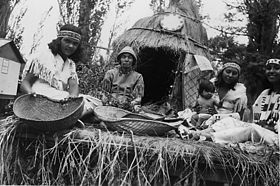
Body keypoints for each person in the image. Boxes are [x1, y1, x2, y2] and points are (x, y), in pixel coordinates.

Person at [180, 58, 280, 147]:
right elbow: (256, 118)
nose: (271, 71)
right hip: (262, 131)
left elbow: (246, 118)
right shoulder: (265, 94)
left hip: (276, 137)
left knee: (252, 128)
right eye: (269, 68)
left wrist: (271, 127)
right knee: (229, 121)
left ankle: (209, 138)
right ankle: (198, 133)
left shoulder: (240, 91)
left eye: (276, 68)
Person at [20, 24, 100, 119]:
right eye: (67, 41)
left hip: (61, 98)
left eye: (75, 44)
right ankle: (69, 117)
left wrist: (72, 101)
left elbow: (74, 89)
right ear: (59, 41)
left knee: (95, 102)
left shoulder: (71, 64)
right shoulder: (43, 55)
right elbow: (25, 83)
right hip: (41, 96)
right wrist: (31, 95)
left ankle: (68, 116)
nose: (70, 46)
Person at [101, 46, 144, 111]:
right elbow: (104, 93)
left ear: (133, 61)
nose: (126, 60)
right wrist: (108, 102)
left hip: (128, 106)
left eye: (129, 58)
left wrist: (128, 105)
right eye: (124, 57)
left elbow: (138, 98)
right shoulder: (110, 73)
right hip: (111, 104)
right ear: (120, 59)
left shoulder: (138, 77)